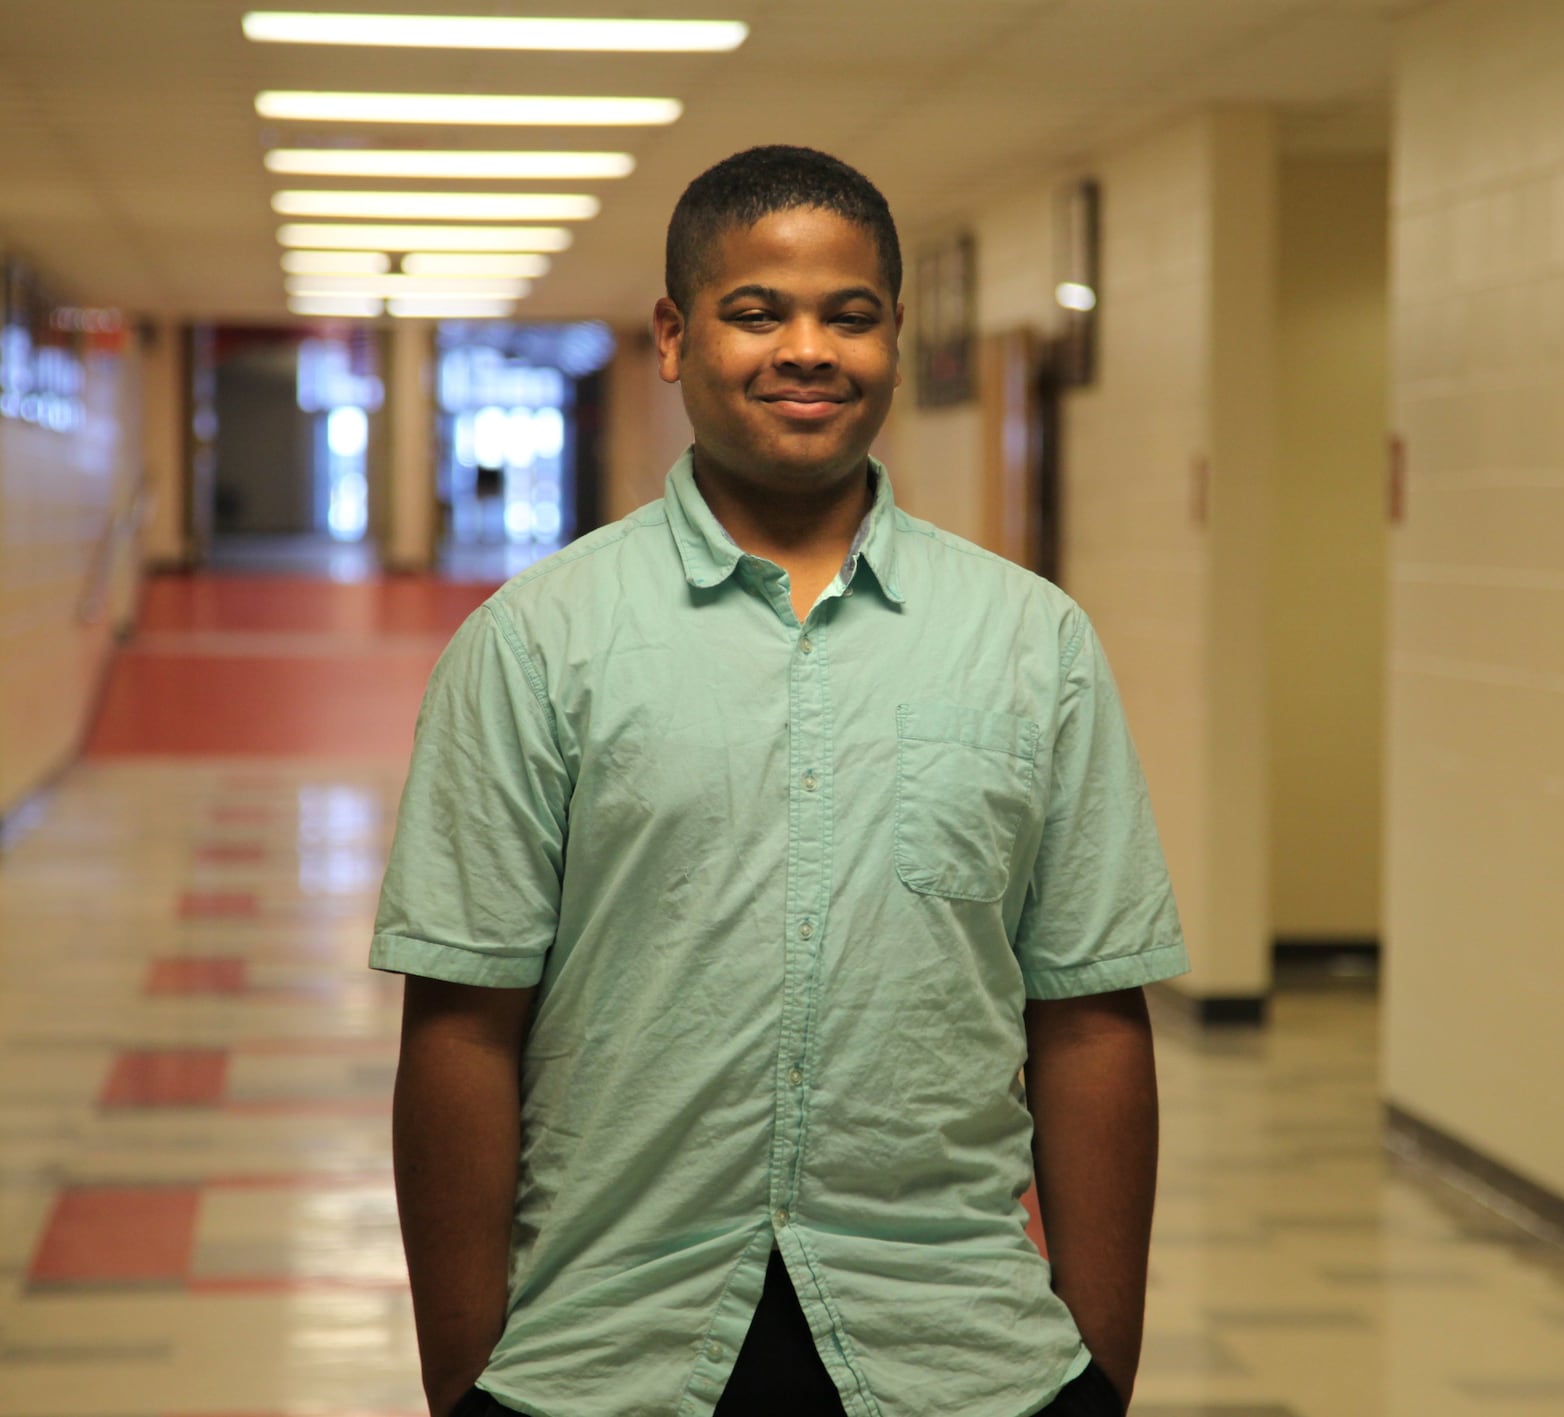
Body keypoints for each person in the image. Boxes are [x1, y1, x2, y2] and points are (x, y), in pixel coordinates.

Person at [373, 145, 1188, 1417]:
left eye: (848, 315)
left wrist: (1101, 1370)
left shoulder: (1032, 643)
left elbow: (1086, 1011)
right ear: (673, 333)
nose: (806, 347)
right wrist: (468, 1383)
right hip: (611, 1350)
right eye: (757, 311)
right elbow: (464, 1022)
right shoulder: (537, 642)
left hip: (961, 1351)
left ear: (895, 339)